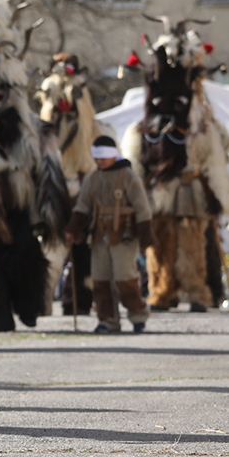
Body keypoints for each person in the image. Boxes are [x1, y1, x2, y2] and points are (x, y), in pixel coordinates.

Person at [65, 136, 154, 333]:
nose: (99, 162)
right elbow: (82, 207)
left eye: (103, 158)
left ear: (113, 155)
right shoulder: (92, 178)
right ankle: (108, 320)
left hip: (124, 236)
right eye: (97, 158)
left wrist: (146, 236)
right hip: (99, 237)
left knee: (125, 278)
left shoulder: (129, 177)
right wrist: (72, 230)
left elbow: (142, 208)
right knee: (100, 279)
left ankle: (138, 315)